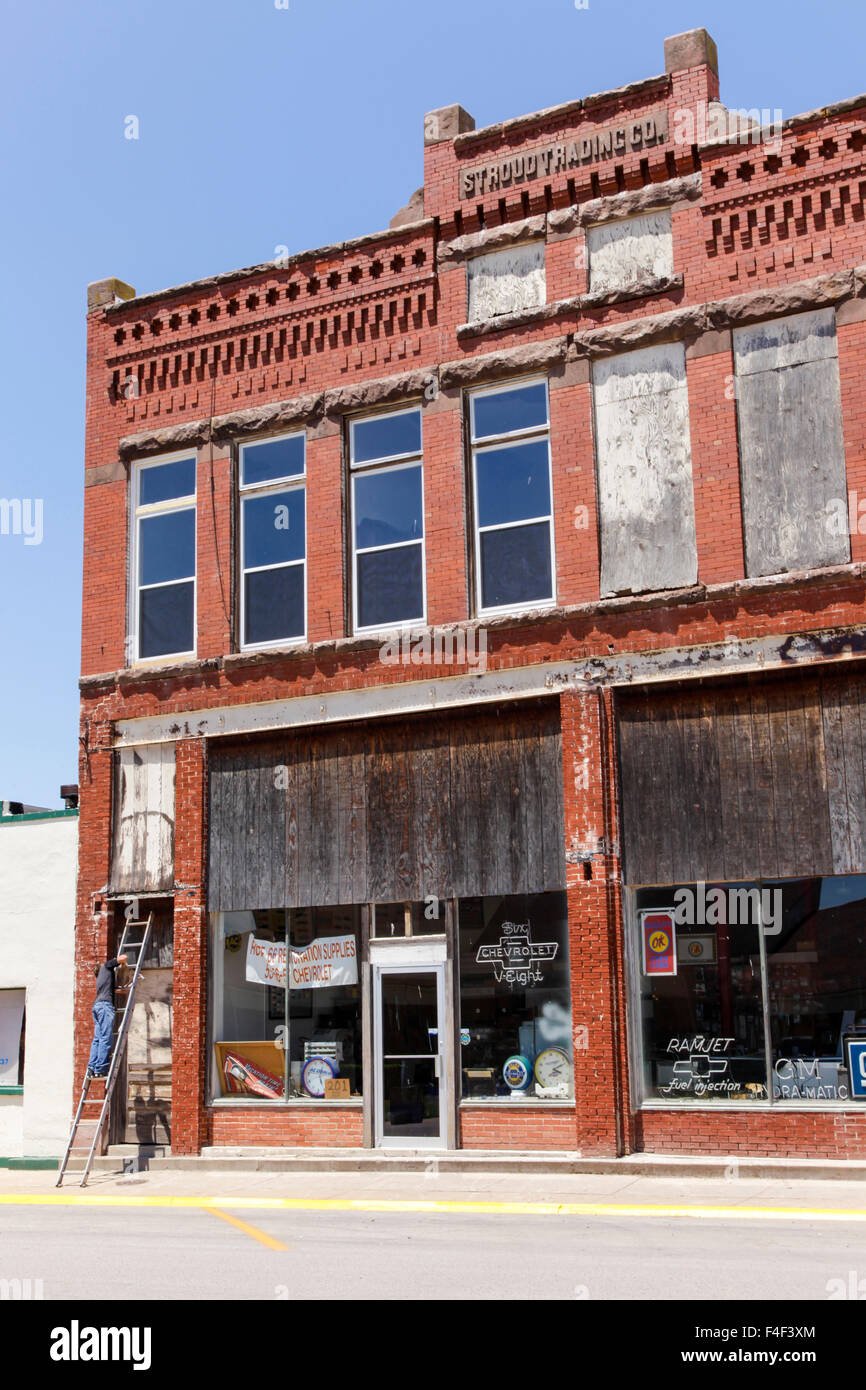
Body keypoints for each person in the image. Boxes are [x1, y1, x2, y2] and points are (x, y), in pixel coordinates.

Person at [86, 953, 128, 1079]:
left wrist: (126, 988)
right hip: (104, 1007)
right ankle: (101, 1069)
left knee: (98, 1039)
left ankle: (92, 1068)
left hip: (97, 1006)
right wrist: (124, 966)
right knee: (106, 1038)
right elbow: (123, 957)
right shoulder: (106, 967)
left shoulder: (101, 978)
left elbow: (114, 990)